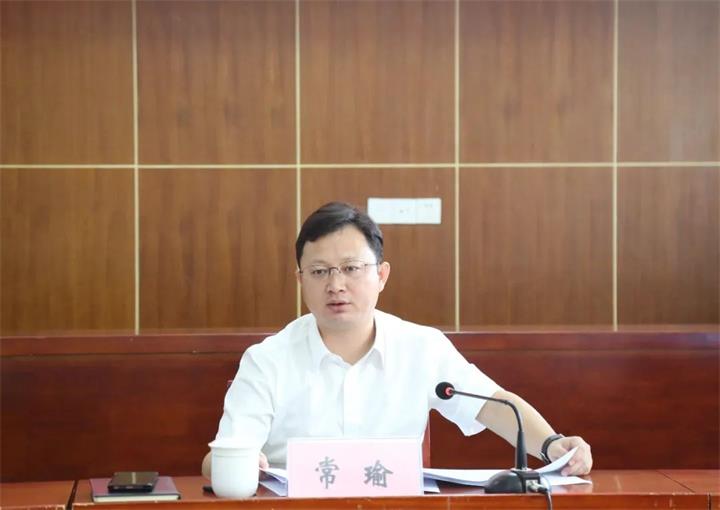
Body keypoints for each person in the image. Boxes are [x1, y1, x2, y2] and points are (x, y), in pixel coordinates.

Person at [202, 202, 592, 478]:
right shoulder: (267, 360)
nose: (336, 285)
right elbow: (219, 458)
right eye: (319, 271)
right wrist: (238, 465)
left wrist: (552, 445)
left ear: (382, 275)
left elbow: (493, 405)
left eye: (351, 268)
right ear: (301, 280)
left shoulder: (421, 347)